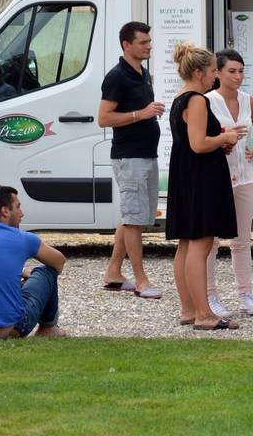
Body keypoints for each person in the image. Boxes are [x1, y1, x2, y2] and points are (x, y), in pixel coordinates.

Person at [166, 42, 243, 331]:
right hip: (200, 178)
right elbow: (198, 144)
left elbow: (192, 141)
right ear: (199, 73)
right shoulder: (198, 100)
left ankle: (189, 309)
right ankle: (203, 313)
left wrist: (218, 140)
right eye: (213, 71)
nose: (215, 76)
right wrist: (226, 138)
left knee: (187, 245)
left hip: (186, 176)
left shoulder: (179, 99)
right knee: (201, 244)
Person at [98, 21, 165, 299]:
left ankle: (114, 271)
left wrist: (150, 113)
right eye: (143, 42)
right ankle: (141, 280)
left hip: (146, 155)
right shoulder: (117, 77)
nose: (149, 46)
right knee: (134, 220)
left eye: (149, 42)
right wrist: (142, 114)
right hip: (129, 157)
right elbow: (104, 118)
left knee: (133, 217)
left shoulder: (142, 73)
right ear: (127, 45)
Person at [0, 185, 67, 339]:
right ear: (5, 211)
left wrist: (17, 273)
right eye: (18, 207)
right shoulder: (23, 238)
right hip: (9, 328)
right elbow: (58, 262)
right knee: (46, 271)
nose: (22, 213)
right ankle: (48, 328)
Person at [204, 49, 253, 318]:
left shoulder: (248, 100)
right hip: (217, 179)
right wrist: (222, 141)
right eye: (232, 71)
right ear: (217, 72)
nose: (238, 76)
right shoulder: (207, 101)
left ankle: (245, 294)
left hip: (245, 177)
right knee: (211, 241)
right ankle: (210, 295)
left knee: (241, 240)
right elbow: (200, 140)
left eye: (241, 71)